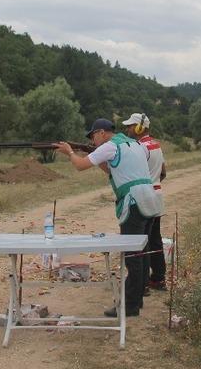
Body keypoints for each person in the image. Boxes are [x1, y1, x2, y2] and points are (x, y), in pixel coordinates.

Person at [55, 118, 163, 317]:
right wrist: (94, 156)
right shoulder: (134, 144)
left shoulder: (110, 146)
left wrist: (70, 152)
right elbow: (113, 169)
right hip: (150, 200)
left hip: (134, 203)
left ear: (102, 133)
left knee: (132, 257)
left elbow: (79, 166)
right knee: (142, 252)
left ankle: (129, 306)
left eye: (93, 136)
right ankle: (136, 301)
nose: (93, 140)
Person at [122, 113, 168, 292]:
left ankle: (142, 284)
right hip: (157, 196)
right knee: (154, 239)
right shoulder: (156, 145)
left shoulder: (139, 147)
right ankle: (158, 278)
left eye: (130, 126)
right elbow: (163, 173)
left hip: (143, 198)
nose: (127, 129)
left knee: (142, 240)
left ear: (139, 128)